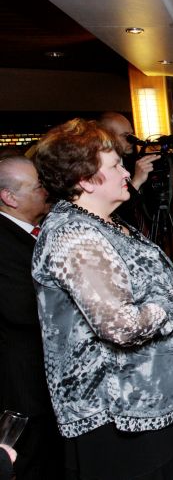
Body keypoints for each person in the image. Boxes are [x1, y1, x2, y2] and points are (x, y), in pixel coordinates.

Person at [31, 118, 173, 479]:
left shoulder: (102, 221)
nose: (126, 172)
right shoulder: (74, 236)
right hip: (114, 411)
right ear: (85, 179)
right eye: (114, 166)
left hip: (140, 398)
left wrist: (167, 279)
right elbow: (120, 326)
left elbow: (121, 282)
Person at [0, 156, 63, 479]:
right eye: (38, 186)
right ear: (9, 198)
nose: (46, 190)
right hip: (26, 379)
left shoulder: (36, 230)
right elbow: (23, 308)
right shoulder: (3, 241)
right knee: (37, 461)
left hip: (46, 371)